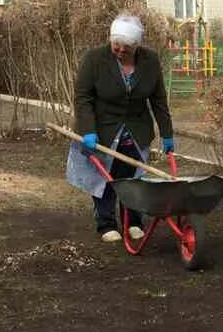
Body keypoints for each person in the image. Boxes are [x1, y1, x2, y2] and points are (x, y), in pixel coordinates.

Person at [71, 12, 174, 242]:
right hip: (103, 130)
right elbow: (83, 97)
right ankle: (106, 224)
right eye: (116, 45)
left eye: (126, 48)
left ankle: (133, 221)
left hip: (136, 131)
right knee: (104, 179)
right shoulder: (95, 59)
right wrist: (88, 129)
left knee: (134, 179)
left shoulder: (150, 61)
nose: (119, 51)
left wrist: (167, 133)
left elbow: (158, 99)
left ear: (137, 45)